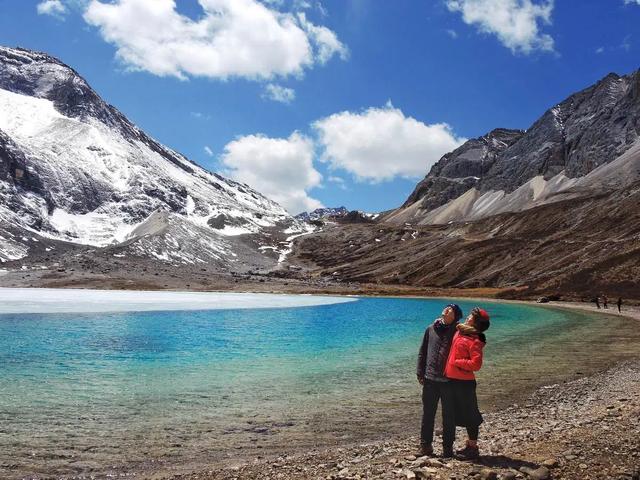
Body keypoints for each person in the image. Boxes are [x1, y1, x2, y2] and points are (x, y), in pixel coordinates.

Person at [416, 304, 463, 457]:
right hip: (430, 379)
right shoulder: (431, 328)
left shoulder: (458, 331)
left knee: (449, 416)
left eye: (450, 309)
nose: (446, 309)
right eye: (446, 307)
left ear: (455, 316)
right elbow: (422, 351)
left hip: (449, 381)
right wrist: (420, 371)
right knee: (428, 414)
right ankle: (425, 446)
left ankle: (447, 448)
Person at [444, 307, 490, 460]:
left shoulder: (475, 340)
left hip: (464, 383)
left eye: (471, 315)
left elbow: (476, 365)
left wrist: (457, 362)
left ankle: (472, 447)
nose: (468, 316)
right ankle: (452, 446)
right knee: (453, 414)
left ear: (475, 321)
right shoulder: (461, 331)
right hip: (451, 379)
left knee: (470, 415)